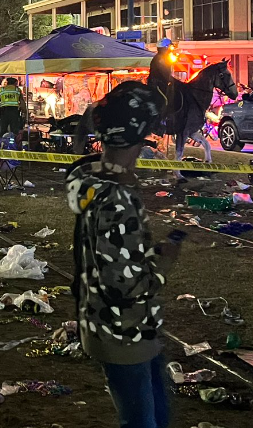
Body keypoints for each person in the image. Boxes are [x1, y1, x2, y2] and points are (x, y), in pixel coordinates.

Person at [66, 81, 175, 428]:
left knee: (153, 409)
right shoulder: (118, 199)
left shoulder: (93, 181)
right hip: (123, 333)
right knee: (143, 420)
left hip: (105, 324)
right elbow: (124, 285)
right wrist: (166, 259)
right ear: (139, 138)